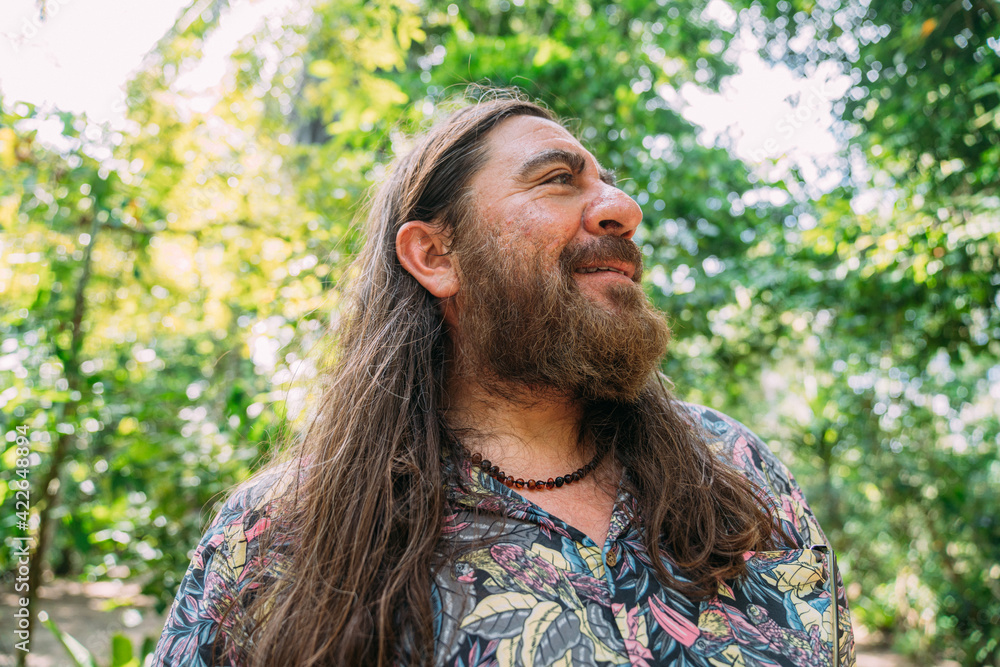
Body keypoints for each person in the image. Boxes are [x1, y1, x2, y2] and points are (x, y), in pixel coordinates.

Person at [151, 89, 856, 667]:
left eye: (607, 182)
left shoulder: (738, 471)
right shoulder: (278, 537)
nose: (622, 208)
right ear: (434, 255)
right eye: (558, 179)